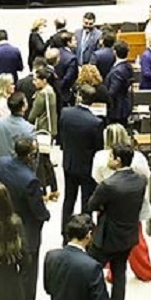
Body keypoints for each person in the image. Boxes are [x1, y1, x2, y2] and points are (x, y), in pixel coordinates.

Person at [85, 144, 146, 300]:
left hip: (107, 237)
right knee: (120, 276)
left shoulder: (108, 184)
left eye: (111, 156)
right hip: (128, 235)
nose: (108, 159)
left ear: (118, 161)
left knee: (91, 272)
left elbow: (91, 204)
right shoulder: (141, 180)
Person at [0, 137, 48, 300]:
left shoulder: (2, 164)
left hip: (5, 220)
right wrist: (46, 214)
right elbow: (38, 210)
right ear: (31, 155)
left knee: (8, 262)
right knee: (28, 269)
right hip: (27, 226)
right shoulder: (30, 180)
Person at [58, 85, 105, 228]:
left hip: (69, 162)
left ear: (79, 96)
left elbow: (61, 136)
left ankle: (65, 233)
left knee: (68, 199)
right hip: (87, 167)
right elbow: (99, 149)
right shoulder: (96, 122)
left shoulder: (65, 113)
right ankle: (84, 232)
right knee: (87, 202)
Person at [27, 68, 61, 201]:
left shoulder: (41, 94)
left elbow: (33, 114)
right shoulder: (51, 91)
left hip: (42, 130)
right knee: (46, 161)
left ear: (44, 80)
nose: (34, 82)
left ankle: (44, 191)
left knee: (40, 163)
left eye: (36, 79)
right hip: (51, 130)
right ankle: (54, 189)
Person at [0, 91, 35, 172]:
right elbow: (32, 156)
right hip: (19, 171)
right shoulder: (29, 129)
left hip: (0, 167)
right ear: (23, 107)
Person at [104, 41, 135, 126]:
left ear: (114, 52)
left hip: (117, 108)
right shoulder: (128, 66)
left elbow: (112, 92)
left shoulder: (117, 71)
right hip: (123, 104)